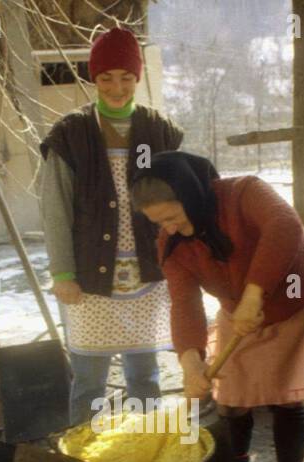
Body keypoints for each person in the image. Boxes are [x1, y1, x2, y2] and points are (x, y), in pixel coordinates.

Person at [130, 152, 304, 462]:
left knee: (286, 394)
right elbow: (184, 302)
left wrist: (254, 294)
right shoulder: (173, 245)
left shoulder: (243, 193)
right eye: (158, 222)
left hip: (296, 299)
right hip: (240, 309)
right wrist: (190, 360)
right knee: (231, 398)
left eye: (172, 216)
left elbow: (285, 226)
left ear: (190, 193)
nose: (169, 228)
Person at [39, 27, 183, 424]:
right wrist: (62, 272)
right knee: (88, 382)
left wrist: (181, 262)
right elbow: (54, 209)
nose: (117, 87)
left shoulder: (160, 131)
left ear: (137, 78)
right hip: (88, 278)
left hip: (147, 274)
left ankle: (145, 454)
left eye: (126, 77)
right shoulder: (70, 135)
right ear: (94, 78)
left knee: (145, 377)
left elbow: (179, 201)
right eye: (106, 77)